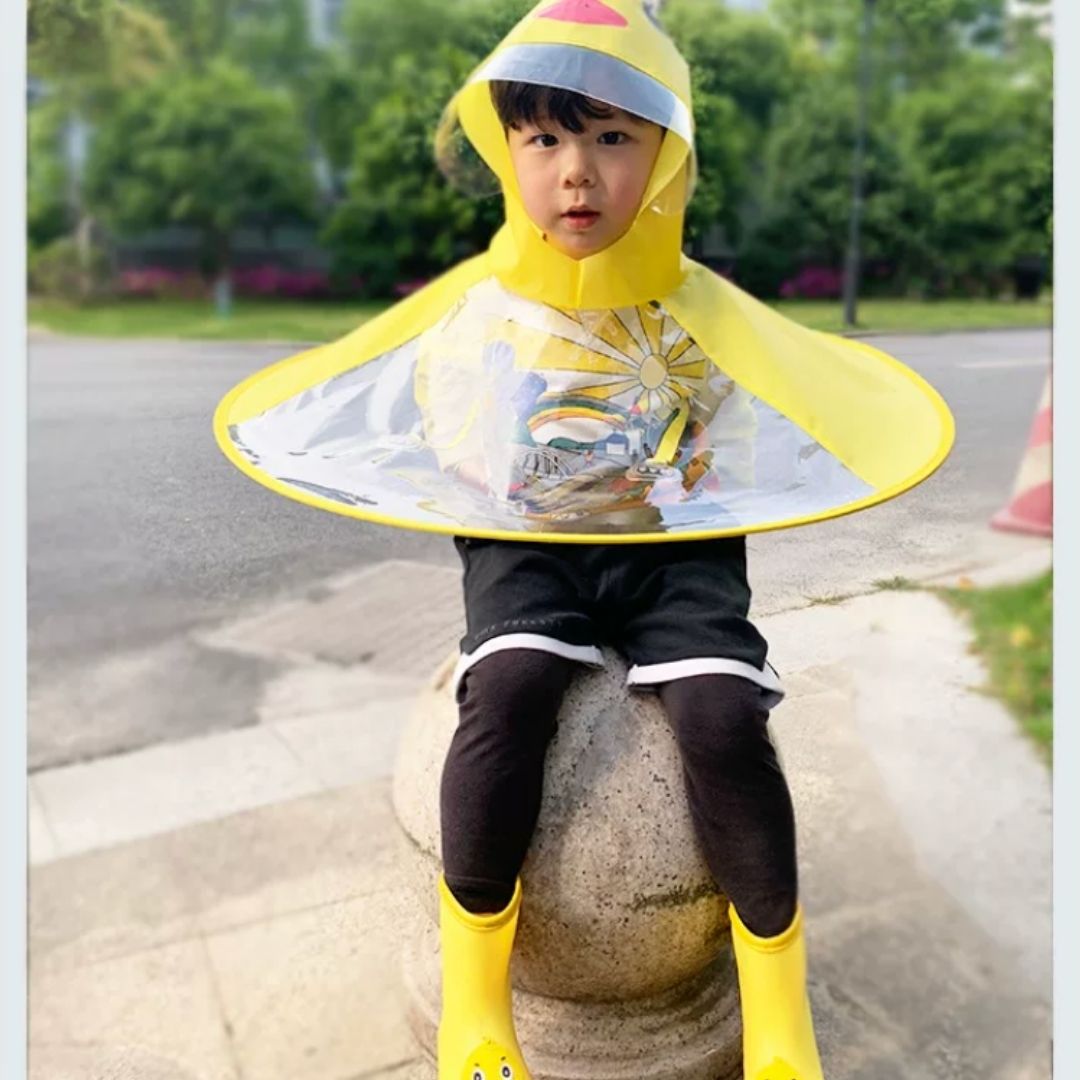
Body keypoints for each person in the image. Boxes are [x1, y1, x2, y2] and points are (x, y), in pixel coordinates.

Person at [214, 4, 953, 1078]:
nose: (577, 173)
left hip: (676, 554)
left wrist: (676, 472)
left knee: (723, 713)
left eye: (612, 137)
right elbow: (454, 436)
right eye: (544, 139)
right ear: (505, 150)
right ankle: (478, 1003)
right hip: (527, 547)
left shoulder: (700, 314)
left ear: (664, 155)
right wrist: (532, 471)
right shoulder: (482, 311)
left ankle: (778, 1018)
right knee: (509, 686)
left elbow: (734, 444)